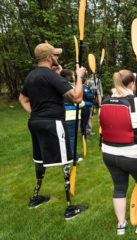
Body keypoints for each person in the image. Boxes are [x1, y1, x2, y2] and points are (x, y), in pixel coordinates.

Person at [18, 43, 88, 220]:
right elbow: (77, 97)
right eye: (55, 55)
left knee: (39, 160)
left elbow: (22, 98)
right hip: (53, 123)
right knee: (65, 160)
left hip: (35, 123)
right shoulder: (50, 76)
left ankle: (36, 197)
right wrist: (79, 76)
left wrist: (36, 114)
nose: (57, 57)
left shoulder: (31, 76)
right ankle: (69, 208)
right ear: (49, 58)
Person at [99, 70, 137, 235]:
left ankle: (121, 225)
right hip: (134, 154)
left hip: (109, 154)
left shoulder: (104, 102)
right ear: (132, 84)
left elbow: (102, 123)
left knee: (119, 187)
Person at [60, 69, 84, 162]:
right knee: (72, 138)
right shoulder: (70, 87)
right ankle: (74, 158)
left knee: (66, 137)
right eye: (73, 75)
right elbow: (79, 102)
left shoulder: (60, 86)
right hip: (71, 116)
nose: (74, 77)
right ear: (69, 77)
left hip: (63, 115)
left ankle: (66, 156)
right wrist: (83, 103)